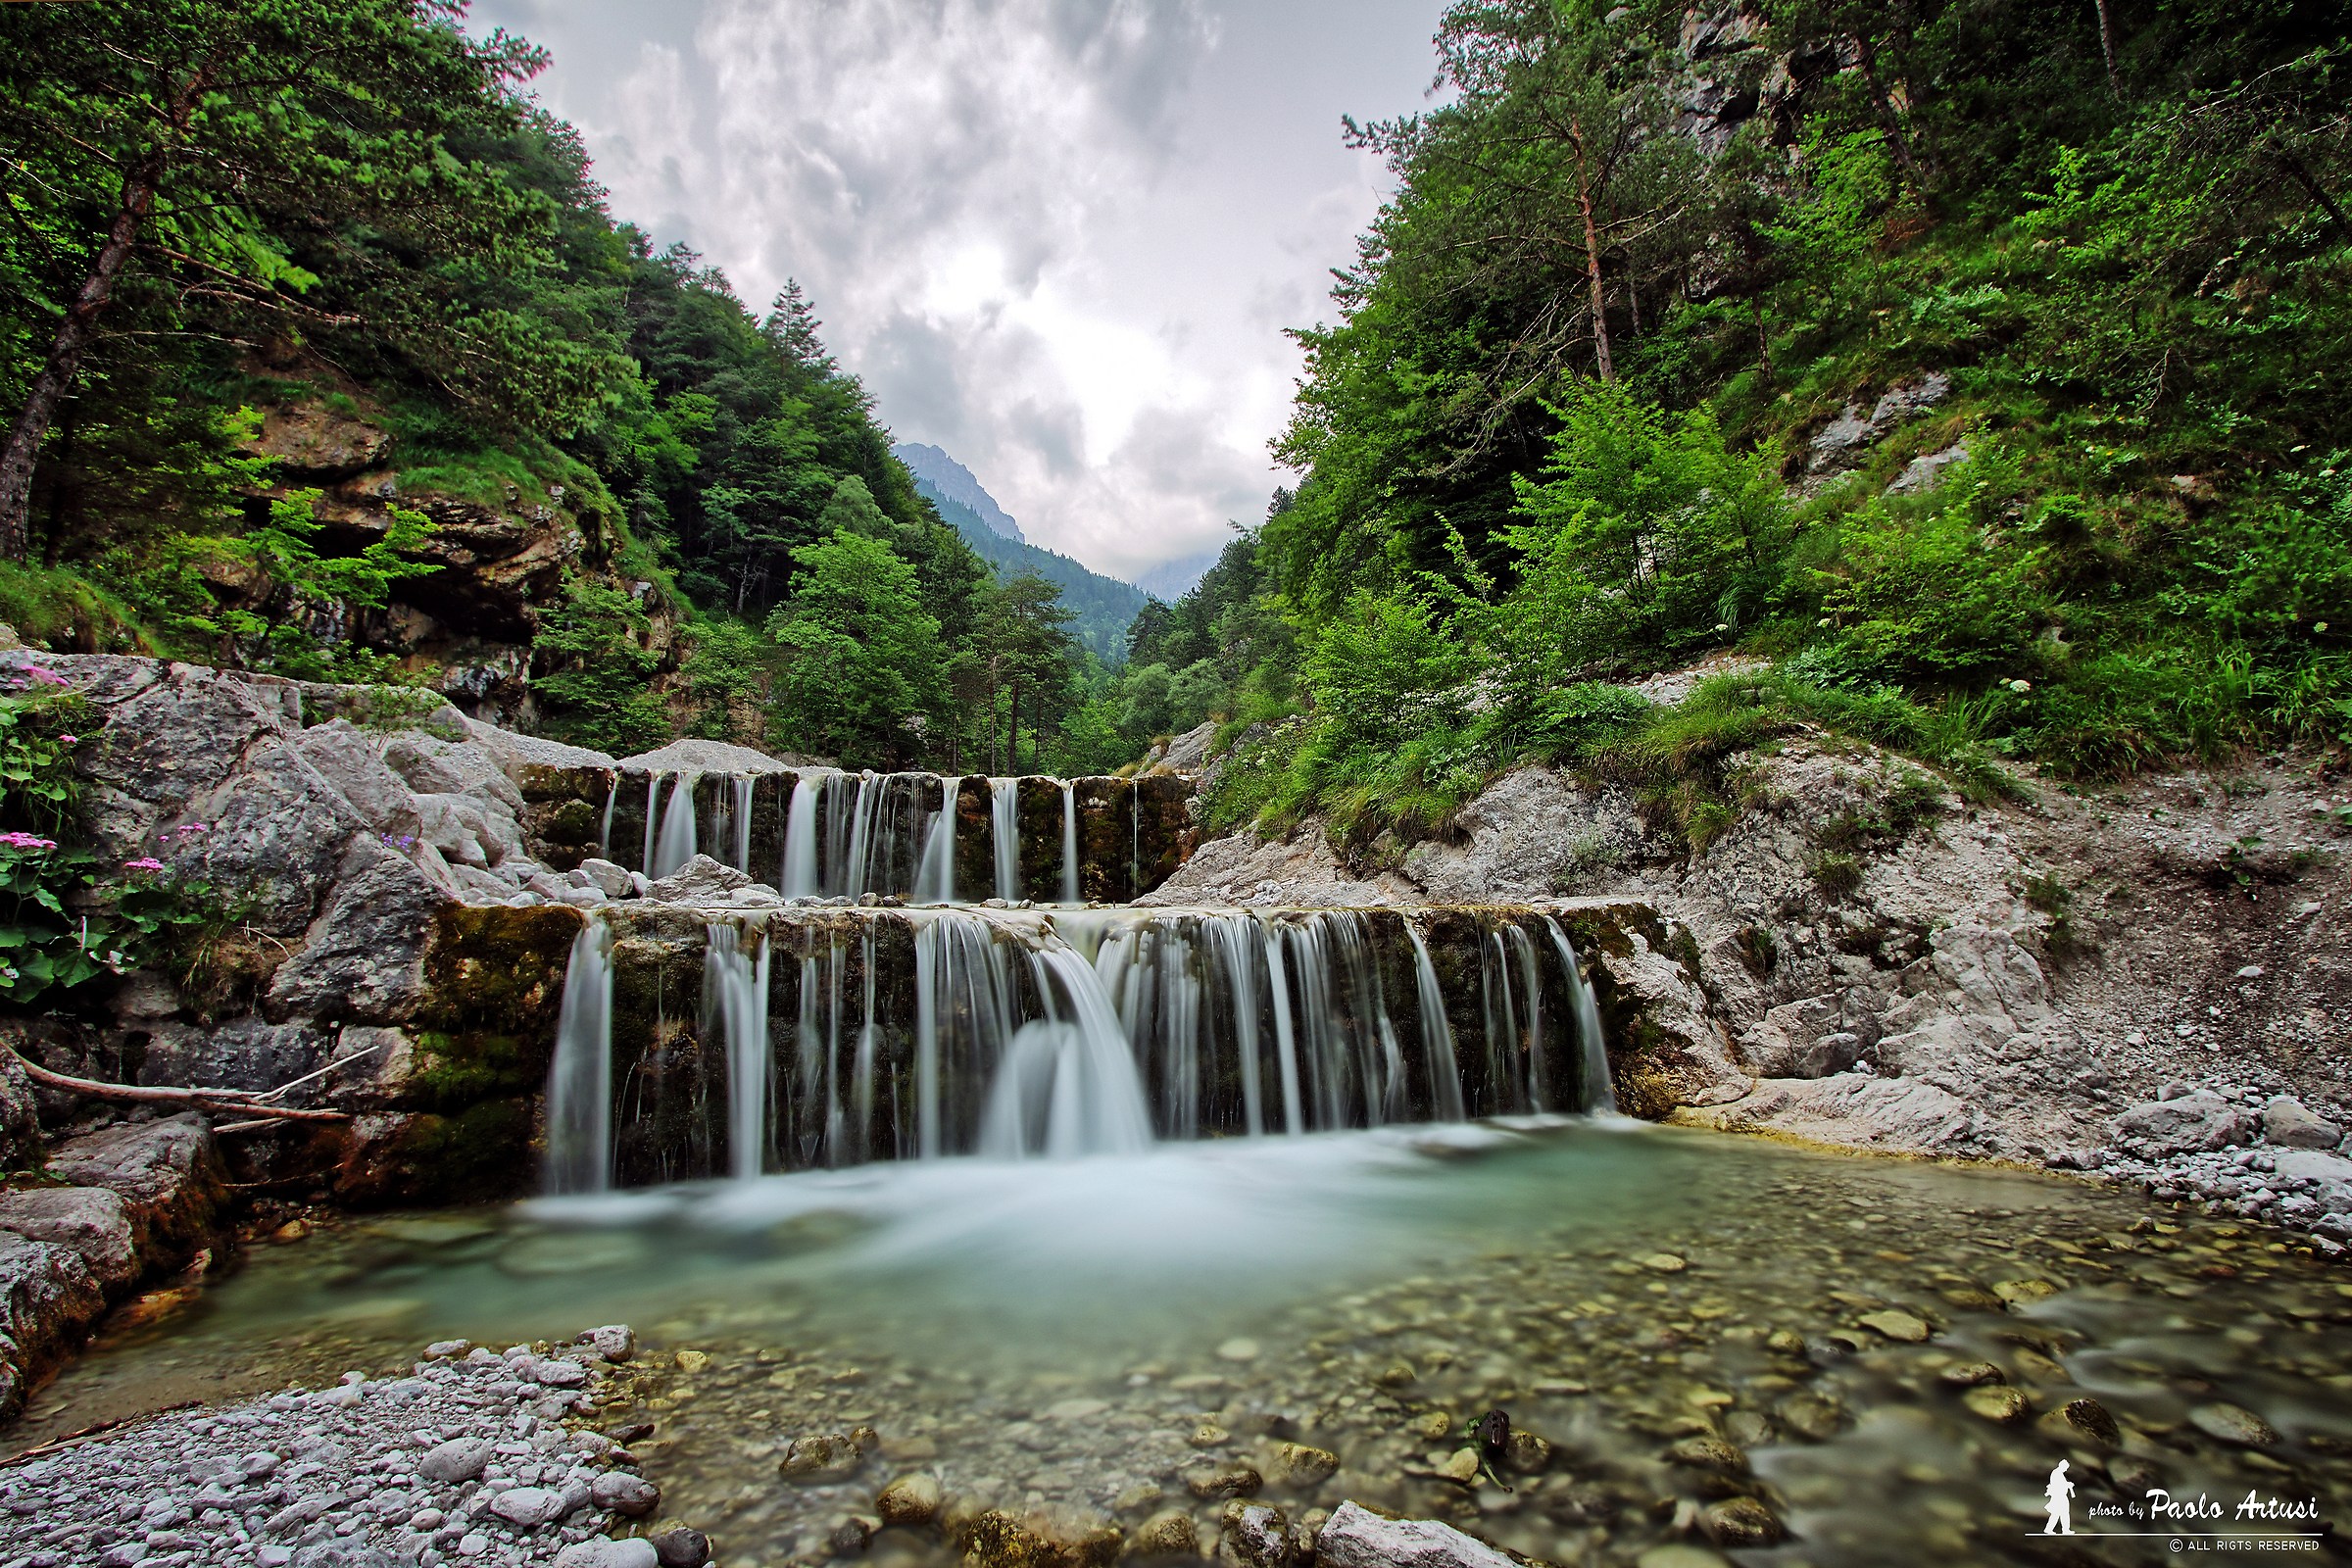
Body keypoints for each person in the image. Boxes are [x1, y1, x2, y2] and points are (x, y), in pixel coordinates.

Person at [2043, 1459, 2076, 1535]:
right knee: (2058, 1514)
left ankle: (2064, 1529)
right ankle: (2051, 1529)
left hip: (2061, 1496)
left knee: (2062, 1513)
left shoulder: (2059, 1474)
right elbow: (2057, 1485)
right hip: (2059, 1496)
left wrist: (2067, 1484)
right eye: (2066, 1468)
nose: (2066, 1469)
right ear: (2062, 1466)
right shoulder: (2056, 1473)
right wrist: (2067, 1485)